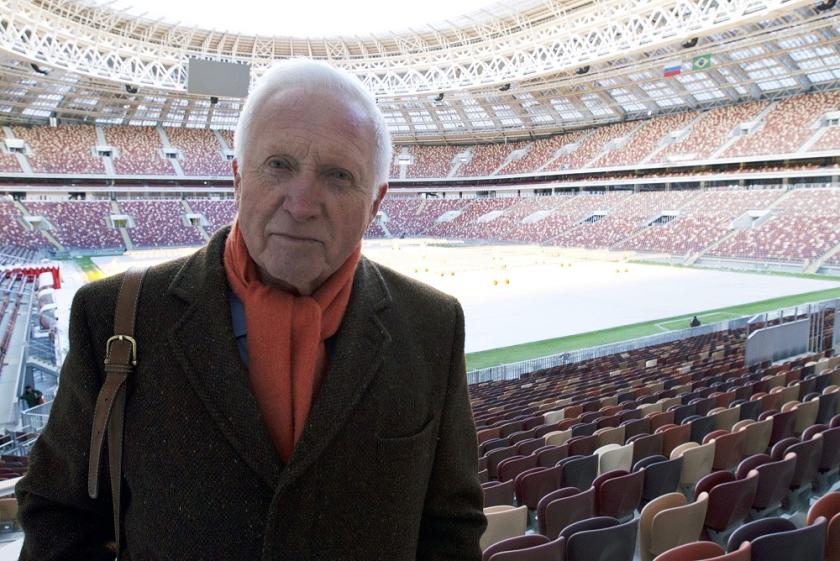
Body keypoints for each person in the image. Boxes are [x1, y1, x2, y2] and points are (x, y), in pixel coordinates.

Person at [16, 60, 486, 560]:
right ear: (238, 178)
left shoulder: (432, 326)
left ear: (375, 203)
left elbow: (450, 529)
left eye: (338, 175)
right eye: (278, 164)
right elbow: (58, 517)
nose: (302, 204)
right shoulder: (114, 316)